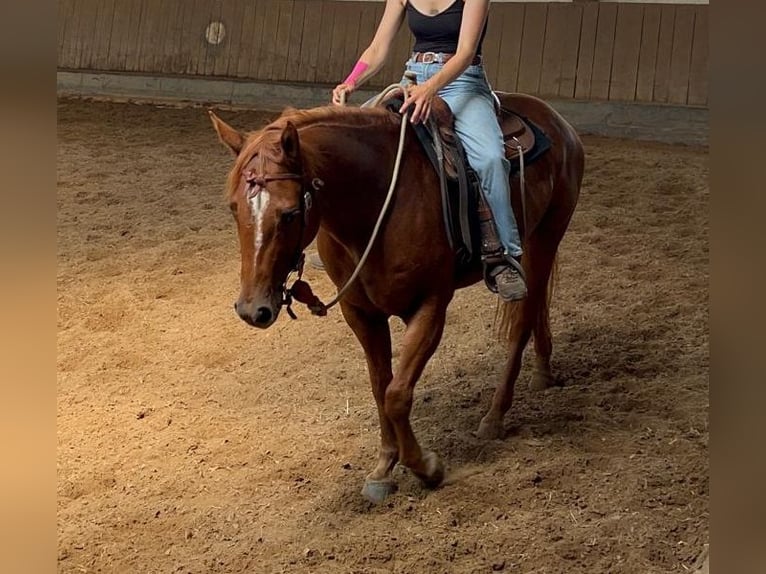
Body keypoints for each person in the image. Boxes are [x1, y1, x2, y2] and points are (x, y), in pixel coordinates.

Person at [331, 0, 526, 301]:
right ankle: (344, 236)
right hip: (412, 78)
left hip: (463, 83)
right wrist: (350, 81)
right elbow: (378, 47)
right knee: (353, 139)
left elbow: (465, 53)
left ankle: (506, 254)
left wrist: (431, 88)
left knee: (489, 159)